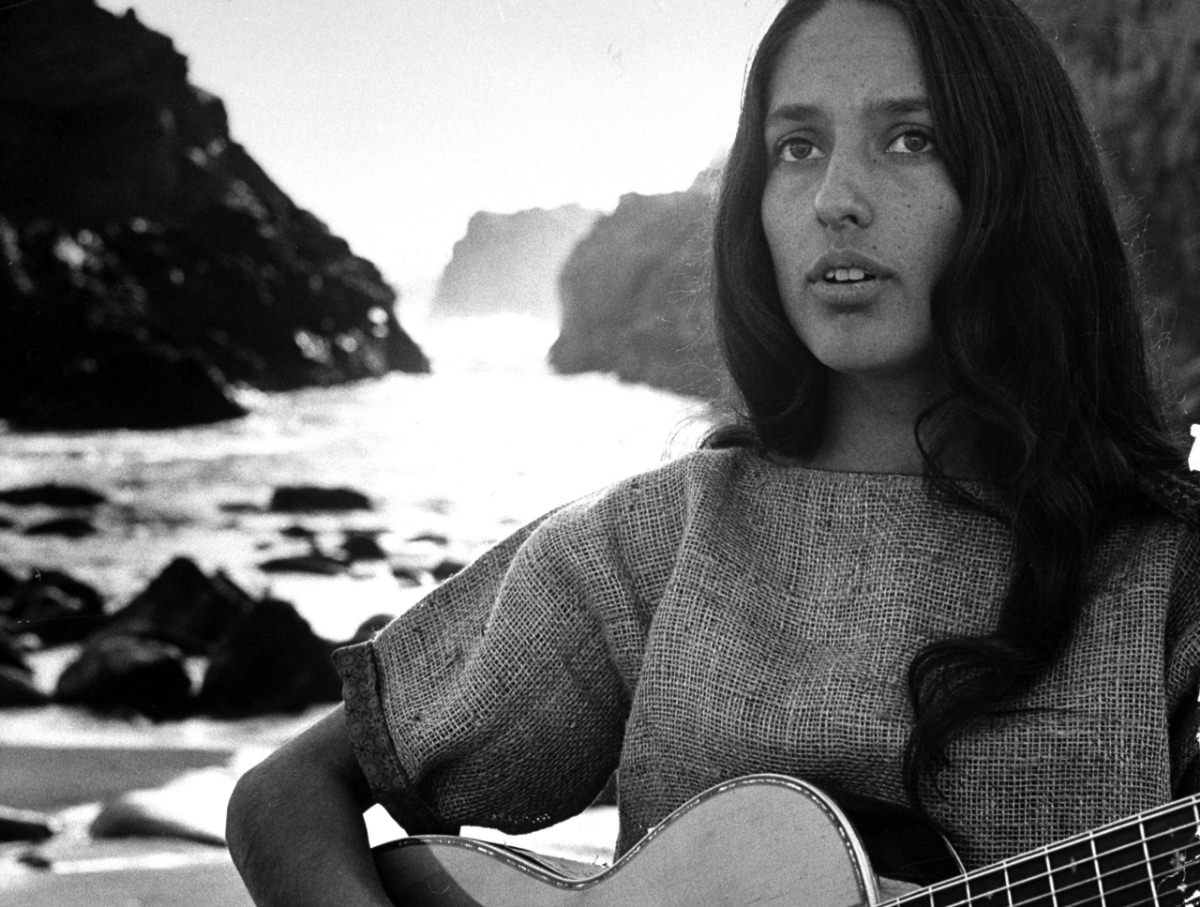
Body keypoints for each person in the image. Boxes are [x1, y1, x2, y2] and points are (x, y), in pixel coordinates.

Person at [226, 0, 1200, 903]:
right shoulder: (658, 543)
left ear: (1016, 183)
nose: (836, 199)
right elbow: (287, 795)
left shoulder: (1170, 572)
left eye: (913, 138)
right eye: (797, 146)